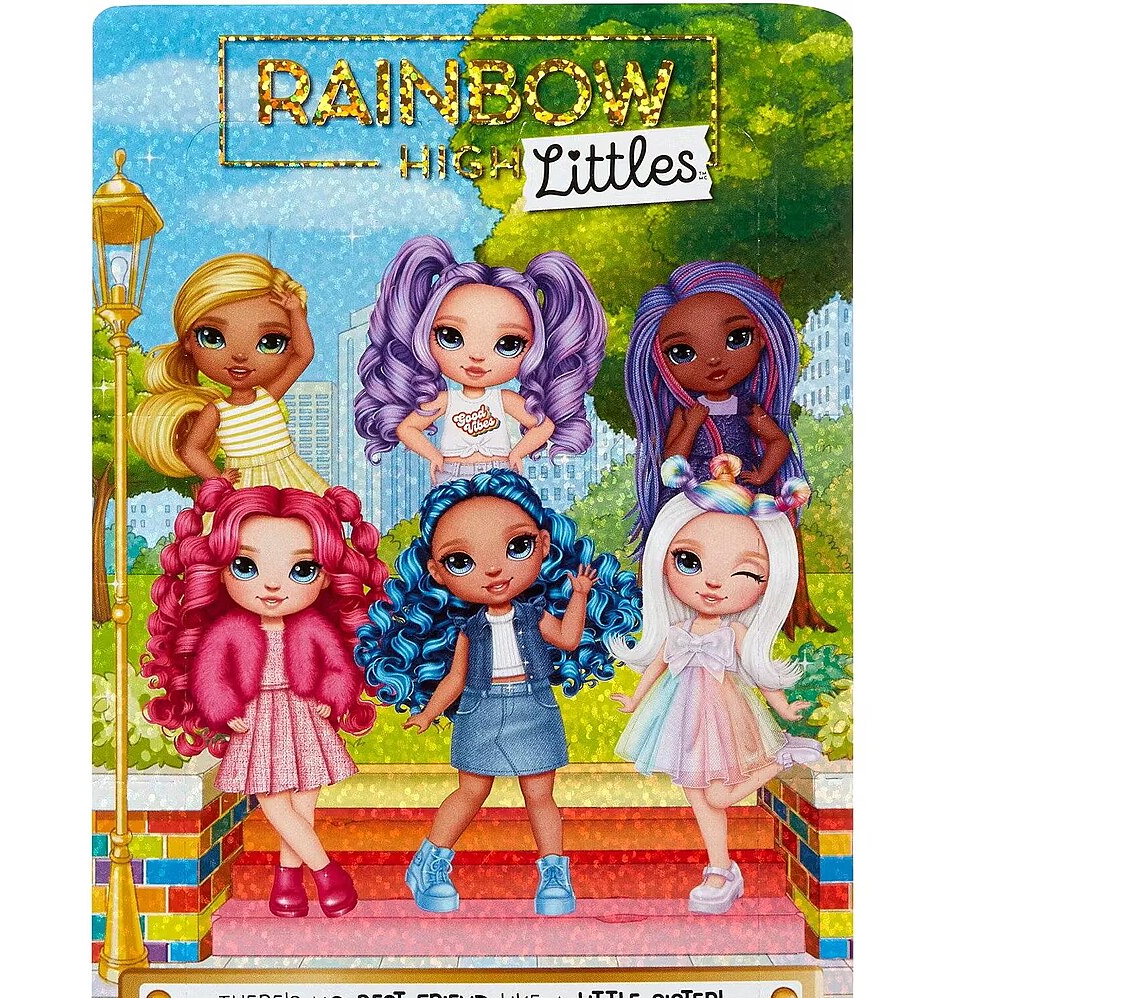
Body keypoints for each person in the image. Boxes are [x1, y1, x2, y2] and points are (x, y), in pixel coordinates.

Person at [356, 470, 640, 916]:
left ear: (543, 545)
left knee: (540, 794)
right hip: (481, 709)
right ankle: (429, 862)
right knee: (471, 791)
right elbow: (455, 679)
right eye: (461, 560)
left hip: (534, 705)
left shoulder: (534, 615)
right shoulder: (468, 628)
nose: (492, 570)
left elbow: (568, 640)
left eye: (517, 546)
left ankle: (553, 874)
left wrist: (580, 595)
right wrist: (429, 712)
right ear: (436, 572)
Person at [142, 480, 387, 918]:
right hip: (255, 719)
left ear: (326, 576)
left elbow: (337, 667)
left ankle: (286, 884)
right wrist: (223, 709)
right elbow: (211, 675)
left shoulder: (314, 626)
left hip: (304, 714)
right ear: (220, 570)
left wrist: (332, 697)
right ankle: (328, 874)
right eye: (245, 566)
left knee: (303, 802)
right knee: (273, 801)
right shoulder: (228, 630)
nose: (272, 585)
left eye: (302, 570)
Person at [611, 455, 822, 915]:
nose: (711, 583)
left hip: (724, 717)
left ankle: (783, 755)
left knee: (720, 793)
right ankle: (720, 868)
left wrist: (784, 708)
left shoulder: (736, 631)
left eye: (745, 573)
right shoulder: (679, 629)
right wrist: (634, 699)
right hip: (679, 718)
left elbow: (759, 673)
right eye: (688, 561)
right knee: (698, 795)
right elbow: (657, 667)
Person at [624, 261, 833, 633]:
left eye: (737, 338)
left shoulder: (748, 407)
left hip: (741, 490)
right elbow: (671, 459)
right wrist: (692, 424)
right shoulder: (685, 410)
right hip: (693, 492)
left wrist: (763, 474)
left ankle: (743, 622)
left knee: (743, 555)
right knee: (695, 555)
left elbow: (778, 441)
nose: (713, 360)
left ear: (763, 338)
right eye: (682, 352)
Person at [354, 235, 606, 484]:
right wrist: (433, 455)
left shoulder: (504, 399)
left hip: (499, 471)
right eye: (450, 337)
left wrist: (517, 452)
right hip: (451, 472)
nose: (477, 356)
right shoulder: (445, 400)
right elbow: (407, 428)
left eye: (508, 344)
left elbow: (544, 426)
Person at [130, 253, 329, 492]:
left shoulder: (267, 396)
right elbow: (190, 450)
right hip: (242, 482)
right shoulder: (217, 411)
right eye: (212, 337)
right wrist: (218, 481)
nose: (240, 356)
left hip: (289, 474)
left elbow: (304, 354)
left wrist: (296, 312)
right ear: (188, 341)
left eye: (270, 342)